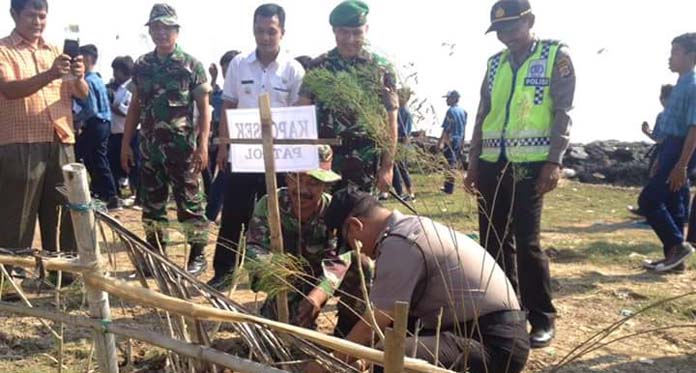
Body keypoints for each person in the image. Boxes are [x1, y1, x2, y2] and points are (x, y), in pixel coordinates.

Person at [306, 188, 529, 373]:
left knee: (388, 357)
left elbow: (376, 321)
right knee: (389, 345)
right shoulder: (409, 227)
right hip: (482, 334)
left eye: (350, 242)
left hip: (491, 344)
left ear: (356, 226)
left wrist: (327, 365)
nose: (362, 253)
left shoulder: (400, 242)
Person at [463, 0, 576, 348]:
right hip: (491, 163)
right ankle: (504, 310)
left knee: (527, 244)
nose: (506, 36)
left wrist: (554, 161)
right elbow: (484, 113)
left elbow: (563, 112)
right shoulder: (494, 64)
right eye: (500, 31)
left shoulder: (555, 55)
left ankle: (541, 316)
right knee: (493, 242)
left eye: (512, 28)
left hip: (531, 164)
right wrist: (473, 162)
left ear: (529, 21)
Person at [208, 3, 305, 290]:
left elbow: (299, 113)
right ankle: (224, 272)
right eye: (259, 31)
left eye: (271, 31)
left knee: (272, 215)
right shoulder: (239, 64)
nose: (265, 37)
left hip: (279, 158)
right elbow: (228, 104)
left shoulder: (293, 70)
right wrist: (224, 146)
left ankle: (265, 276)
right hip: (242, 154)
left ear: (282, 32)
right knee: (235, 214)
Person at [121, 3, 211, 276]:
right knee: (152, 206)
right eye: (156, 28)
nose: (161, 33)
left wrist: (204, 144)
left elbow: (204, 109)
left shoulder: (191, 65)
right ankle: (156, 256)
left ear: (176, 31)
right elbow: (135, 106)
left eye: (166, 28)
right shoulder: (142, 65)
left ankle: (197, 257)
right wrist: (126, 144)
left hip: (183, 150)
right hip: (150, 149)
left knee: (190, 205)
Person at [245, 146, 371, 337]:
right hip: (284, 279)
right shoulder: (270, 203)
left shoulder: (333, 211)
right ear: (287, 179)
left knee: (362, 264)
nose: (302, 189)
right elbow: (253, 248)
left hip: (322, 277)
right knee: (287, 336)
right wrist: (276, 268)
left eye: (313, 183)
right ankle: (280, 312)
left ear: (325, 186)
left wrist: (320, 293)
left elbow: (341, 259)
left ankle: (347, 332)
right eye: (296, 179)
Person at [0, 0, 88, 259]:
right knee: (17, 214)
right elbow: (9, 89)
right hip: (19, 142)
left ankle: (64, 272)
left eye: (42, 16)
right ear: (14, 14)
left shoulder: (57, 51)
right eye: (31, 16)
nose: (37, 22)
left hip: (60, 139)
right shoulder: (4, 50)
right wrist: (50, 75)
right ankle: (12, 276)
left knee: (64, 210)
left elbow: (80, 94)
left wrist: (79, 76)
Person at [298, 0, 398, 193]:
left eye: (357, 32)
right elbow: (302, 112)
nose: (350, 39)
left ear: (366, 30)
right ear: (334, 31)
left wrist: (387, 167)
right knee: (323, 218)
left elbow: (391, 121)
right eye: (344, 32)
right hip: (324, 162)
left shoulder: (381, 69)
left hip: (365, 163)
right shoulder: (319, 66)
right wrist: (303, 158)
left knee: (361, 220)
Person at [639, 32, 696, 273]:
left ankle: (676, 245)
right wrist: (662, 157)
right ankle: (675, 261)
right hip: (670, 147)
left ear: (691, 56)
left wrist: (681, 164)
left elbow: (694, 128)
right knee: (673, 202)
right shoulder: (679, 86)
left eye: (675, 53)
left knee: (649, 200)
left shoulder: (693, 86)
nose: (670, 57)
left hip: (682, 149)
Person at [74, 44, 120, 210]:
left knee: (78, 154)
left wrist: (75, 119)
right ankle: (106, 193)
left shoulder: (87, 81)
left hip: (95, 123)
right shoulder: (98, 79)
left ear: (87, 59)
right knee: (95, 158)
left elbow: (91, 109)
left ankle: (104, 193)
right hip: (104, 123)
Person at [204, 50, 240, 223]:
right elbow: (209, 100)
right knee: (221, 178)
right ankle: (211, 215)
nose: (227, 73)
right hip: (224, 139)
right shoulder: (224, 91)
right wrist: (213, 79)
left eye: (229, 69)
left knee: (224, 180)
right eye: (224, 70)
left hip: (242, 141)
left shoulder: (244, 89)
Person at [107, 56, 138, 205]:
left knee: (133, 164)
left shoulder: (132, 88)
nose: (114, 74)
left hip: (130, 132)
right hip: (116, 131)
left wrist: (112, 107)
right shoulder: (119, 88)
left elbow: (130, 111)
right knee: (114, 162)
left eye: (116, 70)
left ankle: (137, 195)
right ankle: (116, 192)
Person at [438, 90, 467, 194]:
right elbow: (464, 129)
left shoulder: (450, 111)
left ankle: (448, 189)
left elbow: (446, 128)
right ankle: (448, 186)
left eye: (448, 98)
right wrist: (463, 143)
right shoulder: (463, 112)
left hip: (451, 140)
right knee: (453, 163)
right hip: (459, 140)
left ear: (454, 98)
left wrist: (441, 142)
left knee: (449, 164)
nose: (447, 100)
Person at [392, 87, 415, 200]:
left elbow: (405, 132)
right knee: (396, 167)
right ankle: (400, 192)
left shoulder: (404, 112)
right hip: (398, 142)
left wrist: (401, 146)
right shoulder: (399, 110)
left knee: (402, 168)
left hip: (401, 142)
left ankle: (411, 193)